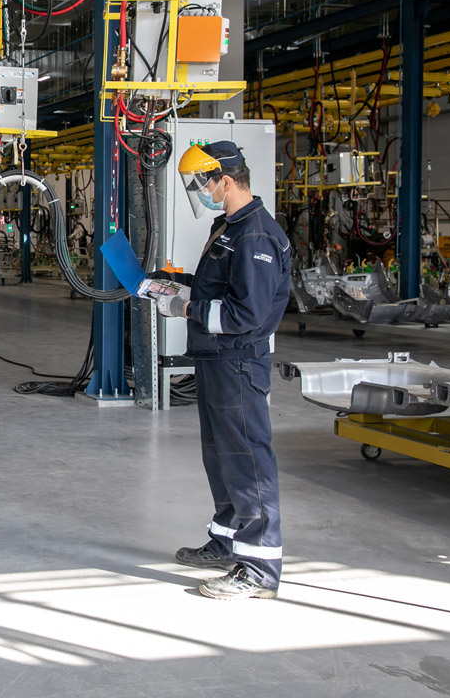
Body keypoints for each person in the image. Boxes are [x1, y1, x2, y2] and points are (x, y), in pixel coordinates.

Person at [150, 140, 291, 600]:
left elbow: (246, 313)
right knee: (221, 456)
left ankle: (259, 568)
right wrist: (176, 285)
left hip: (238, 362)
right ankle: (228, 540)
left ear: (226, 181)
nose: (202, 193)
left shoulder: (255, 236)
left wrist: (187, 308)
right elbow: (219, 288)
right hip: (216, 360)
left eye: (203, 184)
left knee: (247, 459)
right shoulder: (230, 226)